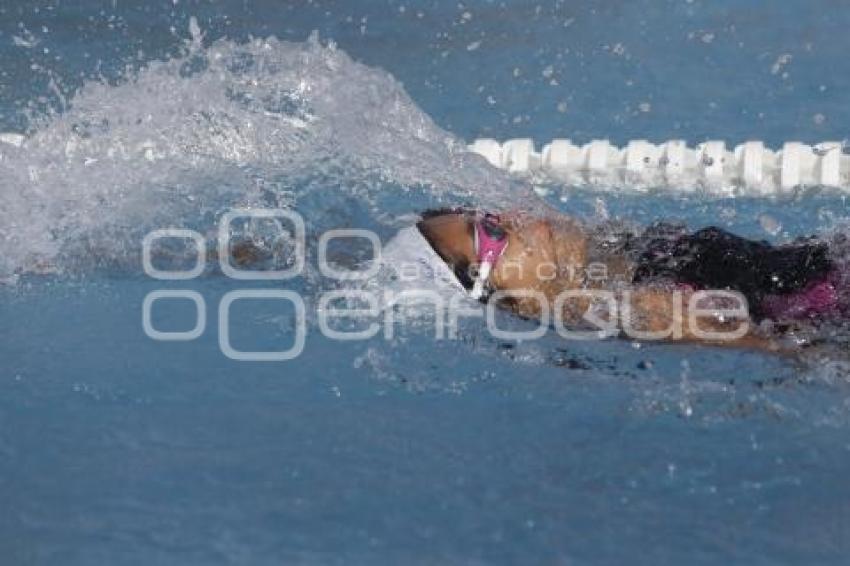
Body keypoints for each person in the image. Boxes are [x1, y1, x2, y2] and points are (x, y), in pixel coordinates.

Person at [410, 207, 848, 351]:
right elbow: (799, 356)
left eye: (486, 212)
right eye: (488, 233)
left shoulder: (617, 259)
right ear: (511, 302)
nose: (505, 217)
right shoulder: (642, 310)